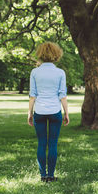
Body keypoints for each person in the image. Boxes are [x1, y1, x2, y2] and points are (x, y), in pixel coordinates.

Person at [28, 42, 69, 183]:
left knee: (41, 143)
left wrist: (30, 113)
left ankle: (43, 176)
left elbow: (32, 95)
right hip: (55, 110)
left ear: (40, 54)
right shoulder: (60, 73)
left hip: (39, 111)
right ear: (57, 54)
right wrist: (66, 113)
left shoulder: (35, 72)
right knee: (52, 144)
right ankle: (50, 176)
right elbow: (62, 95)